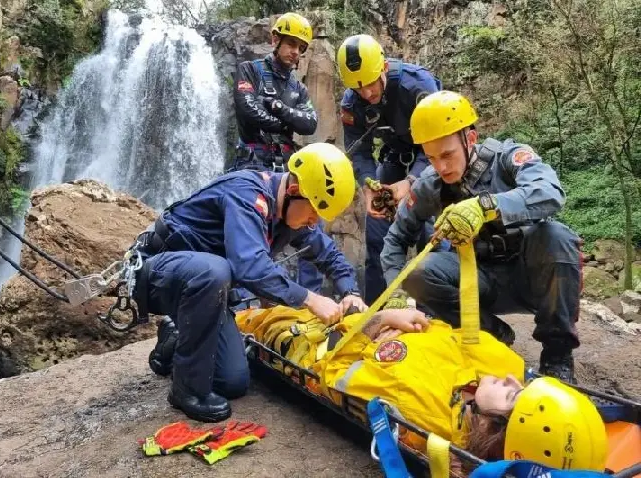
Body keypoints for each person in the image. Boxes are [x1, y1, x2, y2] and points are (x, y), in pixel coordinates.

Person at [131, 142, 367, 423]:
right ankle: (187, 391)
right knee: (215, 270)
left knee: (233, 381)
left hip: (202, 292)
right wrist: (311, 299)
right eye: (313, 211)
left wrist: (350, 292)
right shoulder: (246, 194)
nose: (314, 221)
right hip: (158, 270)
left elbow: (327, 253)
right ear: (293, 190)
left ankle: (176, 334)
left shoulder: (293, 214)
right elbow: (249, 266)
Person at [235, 305, 607, 470]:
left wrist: (378, 321)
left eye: (514, 395)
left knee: (262, 319)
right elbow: (449, 333)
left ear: (496, 431)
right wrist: (404, 319)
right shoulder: (503, 368)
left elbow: (334, 374)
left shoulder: (421, 413)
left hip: (322, 342)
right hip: (380, 320)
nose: (514, 380)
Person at [381, 90, 584, 383]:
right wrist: (395, 295)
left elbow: (551, 192)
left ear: (471, 140)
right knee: (416, 272)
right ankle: (492, 334)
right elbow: (396, 239)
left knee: (557, 236)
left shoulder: (508, 158)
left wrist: (486, 206)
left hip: (532, 277)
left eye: (447, 154)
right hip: (479, 280)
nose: (441, 166)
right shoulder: (430, 185)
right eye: (431, 157)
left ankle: (557, 357)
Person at [336, 34, 445, 304]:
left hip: (432, 156)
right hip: (394, 157)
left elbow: (440, 140)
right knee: (376, 233)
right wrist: (369, 186)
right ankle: (376, 310)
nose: (366, 94)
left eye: (370, 85)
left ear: (383, 68)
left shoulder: (417, 85)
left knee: (428, 232)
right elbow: (358, 153)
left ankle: (435, 309)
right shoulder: (351, 103)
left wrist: (411, 181)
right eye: (357, 88)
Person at [230, 12, 324, 293]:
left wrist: (278, 108)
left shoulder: (299, 88)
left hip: (284, 169)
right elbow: (247, 108)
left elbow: (310, 123)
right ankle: (240, 302)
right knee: (248, 235)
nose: (295, 52)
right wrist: (285, 121)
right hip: (251, 166)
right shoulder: (251, 70)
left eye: (300, 47)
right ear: (275, 39)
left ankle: (310, 295)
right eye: (291, 44)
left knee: (307, 226)